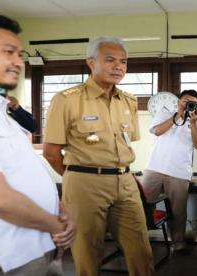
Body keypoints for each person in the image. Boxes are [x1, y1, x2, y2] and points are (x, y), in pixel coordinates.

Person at [0, 12, 75, 276]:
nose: (18, 62)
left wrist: (60, 211)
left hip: (37, 248)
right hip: (4, 257)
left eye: (20, 54)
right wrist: (56, 224)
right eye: (8, 52)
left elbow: (23, 170)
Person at [43, 36, 154, 276]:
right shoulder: (67, 100)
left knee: (142, 253)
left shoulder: (128, 101)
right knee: (88, 255)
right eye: (110, 60)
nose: (118, 67)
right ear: (91, 62)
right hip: (85, 184)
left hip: (125, 181)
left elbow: (126, 142)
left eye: (123, 62)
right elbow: (51, 152)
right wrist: (80, 177)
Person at [143, 89, 197, 254]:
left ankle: (178, 244)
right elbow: (157, 131)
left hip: (179, 172)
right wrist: (178, 115)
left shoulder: (196, 123)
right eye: (185, 100)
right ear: (179, 101)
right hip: (154, 168)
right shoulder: (164, 114)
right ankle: (139, 241)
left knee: (178, 211)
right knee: (143, 206)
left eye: (192, 102)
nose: (188, 104)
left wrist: (192, 124)